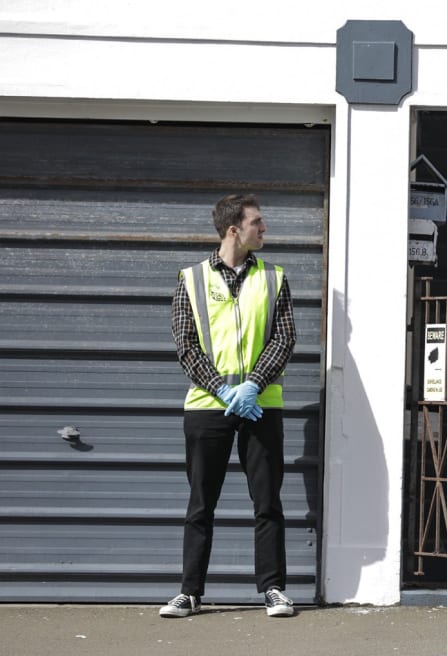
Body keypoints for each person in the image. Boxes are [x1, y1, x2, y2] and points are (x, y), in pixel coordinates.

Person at [161, 194, 297, 618]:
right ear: (233, 229)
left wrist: (253, 385)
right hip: (207, 407)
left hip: (262, 406)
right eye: (258, 222)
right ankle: (190, 592)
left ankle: (273, 589)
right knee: (201, 503)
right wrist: (223, 390)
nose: (264, 229)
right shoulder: (191, 278)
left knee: (268, 502)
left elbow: (285, 337)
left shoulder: (275, 277)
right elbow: (186, 346)